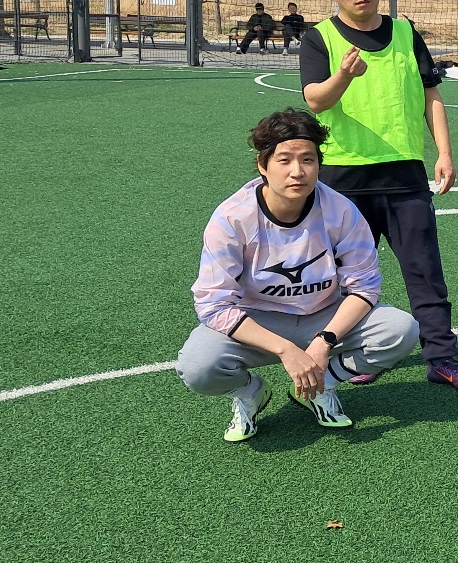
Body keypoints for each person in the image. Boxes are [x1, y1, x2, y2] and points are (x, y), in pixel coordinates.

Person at [299, 0, 458, 391]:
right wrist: (344, 75)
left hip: (405, 177)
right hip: (343, 180)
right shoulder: (319, 38)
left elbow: (431, 95)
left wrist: (444, 152)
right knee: (342, 279)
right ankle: (360, 353)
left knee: (425, 273)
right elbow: (315, 99)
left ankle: (441, 358)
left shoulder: (405, 32)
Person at [178, 109, 420, 442]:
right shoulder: (232, 218)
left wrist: (325, 341)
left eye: (308, 159)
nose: (298, 171)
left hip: (322, 315)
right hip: (258, 321)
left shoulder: (341, 211)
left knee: (400, 329)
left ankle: (320, 386)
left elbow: (364, 287)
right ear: (263, 165)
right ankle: (250, 393)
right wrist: (285, 350)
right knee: (198, 366)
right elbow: (213, 304)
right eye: (284, 160)